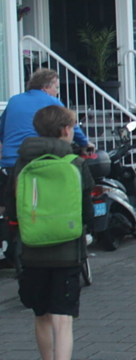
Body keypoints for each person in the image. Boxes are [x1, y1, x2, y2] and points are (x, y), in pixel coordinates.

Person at [5, 105, 94, 360]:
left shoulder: (22, 163)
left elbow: (11, 210)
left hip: (31, 252)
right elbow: (87, 213)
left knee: (41, 315)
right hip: (67, 253)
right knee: (63, 321)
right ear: (66, 130)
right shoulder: (77, 164)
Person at [1, 69, 92, 264]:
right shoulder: (52, 103)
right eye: (56, 88)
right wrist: (85, 143)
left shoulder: (14, 100)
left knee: (12, 204)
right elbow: (72, 125)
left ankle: (10, 244)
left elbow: (2, 128)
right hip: (38, 160)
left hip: (9, 163)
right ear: (46, 87)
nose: (57, 92)